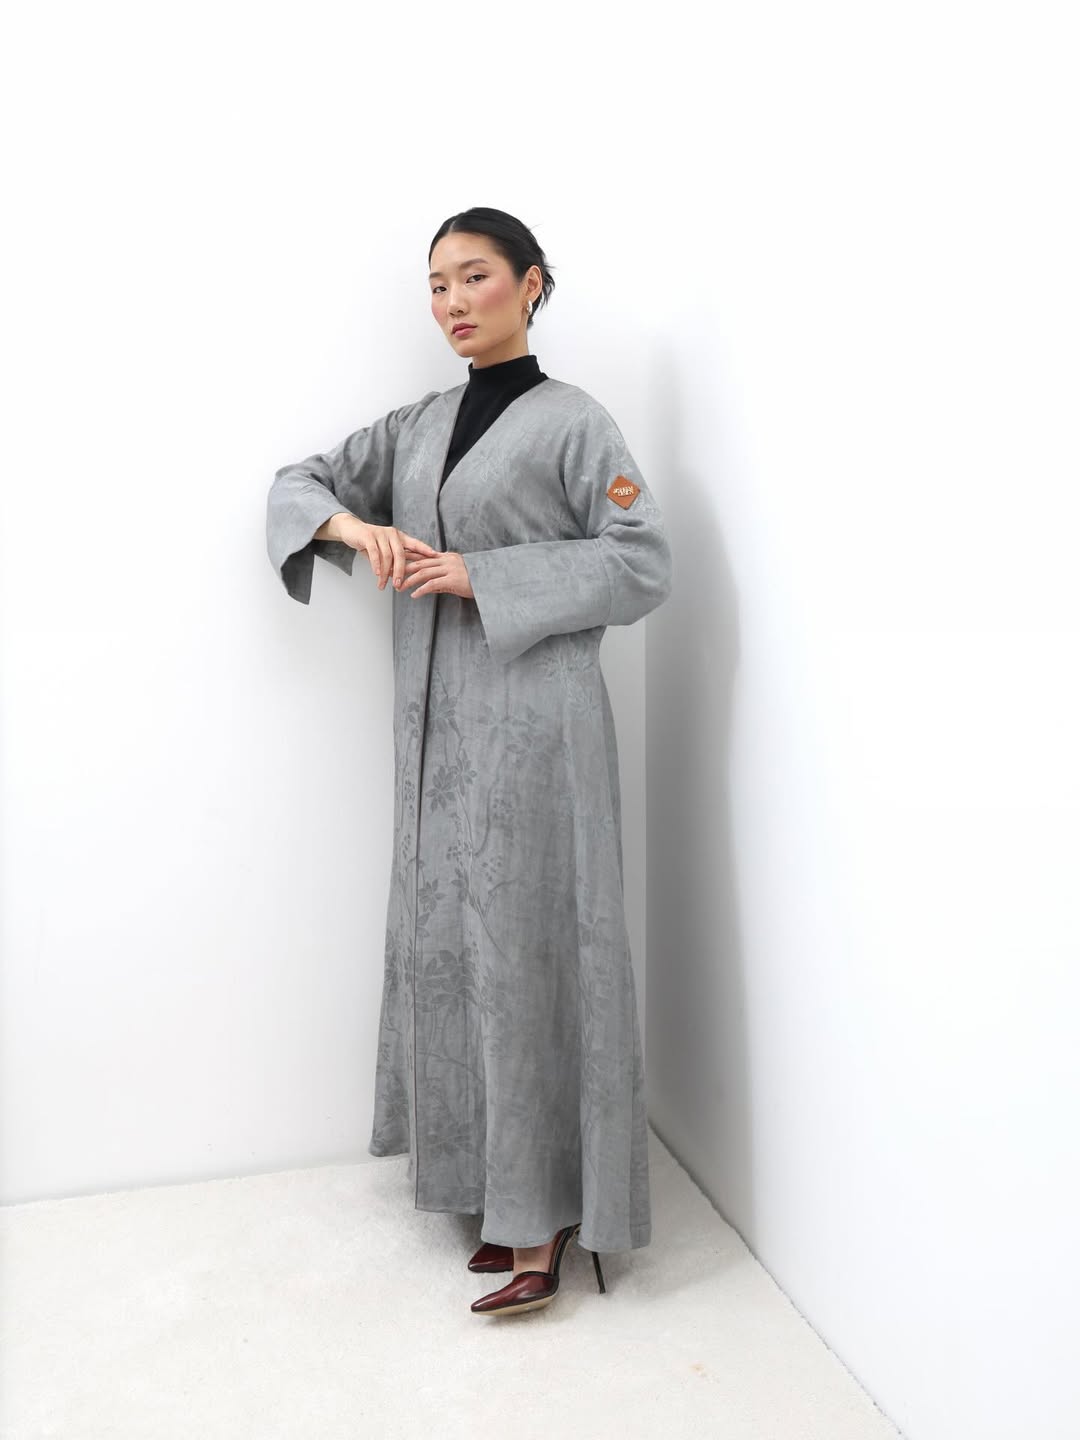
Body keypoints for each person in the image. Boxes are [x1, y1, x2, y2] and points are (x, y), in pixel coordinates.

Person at [266, 206, 674, 1317]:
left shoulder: (577, 422)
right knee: (457, 946)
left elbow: (643, 563)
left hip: (541, 731)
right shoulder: (418, 425)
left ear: (532, 284)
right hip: (439, 736)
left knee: (532, 950)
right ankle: (489, 1190)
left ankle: (546, 1215)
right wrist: (354, 531)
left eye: (476, 276)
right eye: (437, 283)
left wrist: (483, 574)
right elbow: (300, 481)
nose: (452, 301)